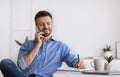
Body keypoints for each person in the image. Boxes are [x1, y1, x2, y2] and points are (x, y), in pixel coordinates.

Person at [0, 10, 86, 77]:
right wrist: (37, 45)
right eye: (41, 24)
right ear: (36, 27)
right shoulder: (27, 45)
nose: (46, 26)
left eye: (48, 23)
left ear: (52, 24)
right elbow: (22, 66)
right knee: (5, 63)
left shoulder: (61, 46)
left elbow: (74, 62)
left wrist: (79, 64)